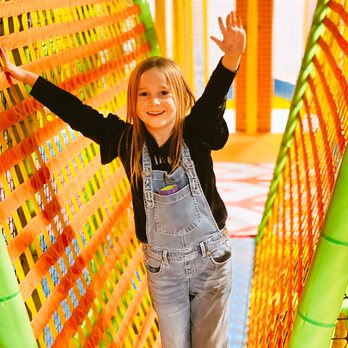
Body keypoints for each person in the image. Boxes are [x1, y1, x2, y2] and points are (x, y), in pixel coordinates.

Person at [1, 10, 246, 348]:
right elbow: (79, 114)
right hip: (164, 270)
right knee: (174, 343)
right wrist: (31, 80)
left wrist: (231, 57)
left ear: (179, 96)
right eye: (143, 94)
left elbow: (214, 99)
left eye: (163, 93)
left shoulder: (196, 131)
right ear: (134, 101)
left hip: (211, 262)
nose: (154, 102)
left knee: (210, 344)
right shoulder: (127, 140)